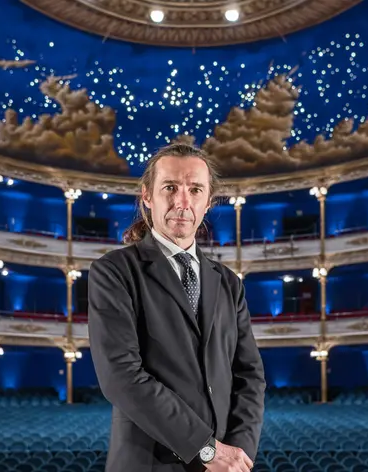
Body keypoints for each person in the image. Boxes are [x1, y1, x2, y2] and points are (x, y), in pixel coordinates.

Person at [87, 143, 266, 472]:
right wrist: (207, 450)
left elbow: (250, 376)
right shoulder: (113, 272)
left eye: (195, 189)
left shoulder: (229, 283)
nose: (183, 202)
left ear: (208, 202)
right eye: (170, 187)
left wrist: (237, 454)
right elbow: (121, 376)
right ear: (147, 196)